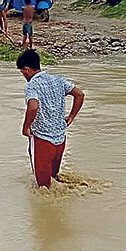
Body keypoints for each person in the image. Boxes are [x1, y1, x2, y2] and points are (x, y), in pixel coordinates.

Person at [17, 49, 85, 189]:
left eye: (22, 72)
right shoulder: (58, 80)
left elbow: (33, 106)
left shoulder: (32, 85)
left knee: (43, 188)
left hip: (42, 141)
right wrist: (71, 116)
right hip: (60, 139)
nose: (23, 75)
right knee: (54, 178)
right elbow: (80, 94)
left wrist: (26, 127)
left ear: (27, 70)